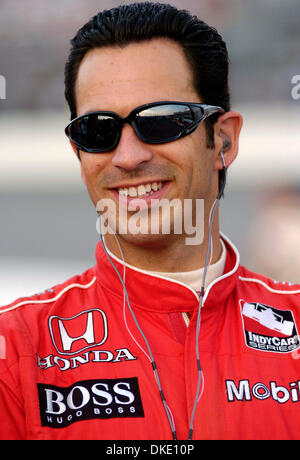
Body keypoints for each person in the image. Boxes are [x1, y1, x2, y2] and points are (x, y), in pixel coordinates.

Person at [0, 2, 299, 441]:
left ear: (223, 140)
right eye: (97, 130)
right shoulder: (15, 348)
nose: (128, 157)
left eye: (160, 122)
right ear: (78, 154)